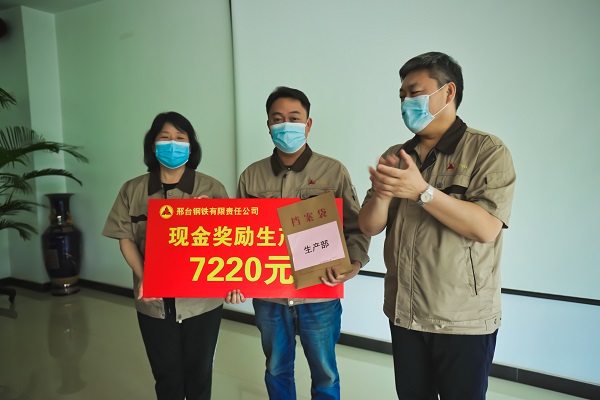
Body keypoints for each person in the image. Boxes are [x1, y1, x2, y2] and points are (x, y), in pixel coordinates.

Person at [358, 52, 516, 400]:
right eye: (402, 96)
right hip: (405, 313)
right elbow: (369, 226)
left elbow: (486, 228)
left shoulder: (486, 150)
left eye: (414, 93)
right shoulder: (397, 154)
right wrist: (382, 195)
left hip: (462, 319)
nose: (406, 103)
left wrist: (423, 191)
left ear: (448, 92)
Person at [234, 86, 370, 399]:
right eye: (277, 119)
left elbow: (355, 226)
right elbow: (240, 236)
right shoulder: (250, 176)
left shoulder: (333, 171)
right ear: (268, 125)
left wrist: (354, 264)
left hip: (319, 294)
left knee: (325, 371)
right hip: (269, 296)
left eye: (294, 118)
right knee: (276, 367)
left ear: (308, 124)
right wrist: (235, 278)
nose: (286, 125)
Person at [102, 111, 233, 400]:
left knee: (200, 373)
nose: (173, 144)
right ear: (153, 145)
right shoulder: (133, 189)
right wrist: (146, 276)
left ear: (191, 146)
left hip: (201, 302)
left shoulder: (211, 188)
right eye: (165, 137)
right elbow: (125, 238)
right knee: (166, 374)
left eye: (180, 138)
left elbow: (230, 242)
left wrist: (208, 216)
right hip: (153, 301)